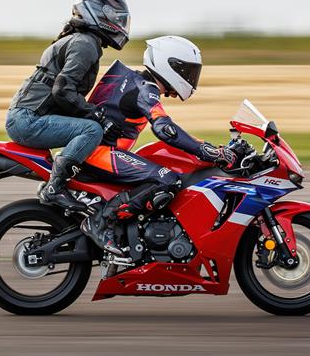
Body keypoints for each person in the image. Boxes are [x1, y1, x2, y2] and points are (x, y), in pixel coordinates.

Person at [79, 35, 236, 255]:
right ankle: (102, 221)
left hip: (96, 149)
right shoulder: (146, 88)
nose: (190, 78)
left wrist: (209, 147)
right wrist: (205, 151)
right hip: (98, 153)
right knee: (168, 180)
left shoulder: (135, 81)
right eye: (187, 71)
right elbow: (165, 129)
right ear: (169, 65)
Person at [5, 0, 128, 212]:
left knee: (93, 126)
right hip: (27, 120)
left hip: (27, 115)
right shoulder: (85, 44)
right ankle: (55, 187)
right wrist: (95, 114)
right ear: (97, 14)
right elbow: (62, 91)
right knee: (91, 130)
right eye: (115, 17)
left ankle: (73, 185)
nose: (119, 22)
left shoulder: (82, 41)